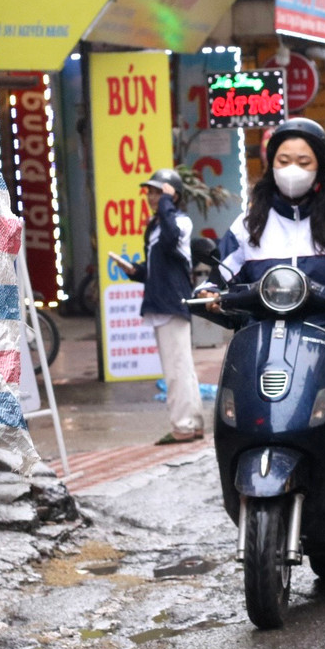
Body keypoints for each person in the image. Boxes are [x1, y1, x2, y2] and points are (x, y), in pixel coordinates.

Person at [208, 118, 325, 507]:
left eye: (304, 162)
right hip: (264, 332)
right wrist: (208, 292)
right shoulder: (248, 223)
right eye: (284, 160)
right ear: (271, 165)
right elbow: (220, 274)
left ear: (321, 168)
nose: (292, 169)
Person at [115, 168, 206, 445]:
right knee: (181, 367)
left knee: (177, 370)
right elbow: (158, 268)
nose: (152, 197)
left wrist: (166, 203)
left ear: (173, 195)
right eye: (151, 192)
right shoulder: (157, 225)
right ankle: (192, 423)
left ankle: (183, 426)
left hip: (172, 302)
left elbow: (171, 239)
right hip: (162, 301)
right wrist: (135, 271)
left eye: (158, 192)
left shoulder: (179, 222)